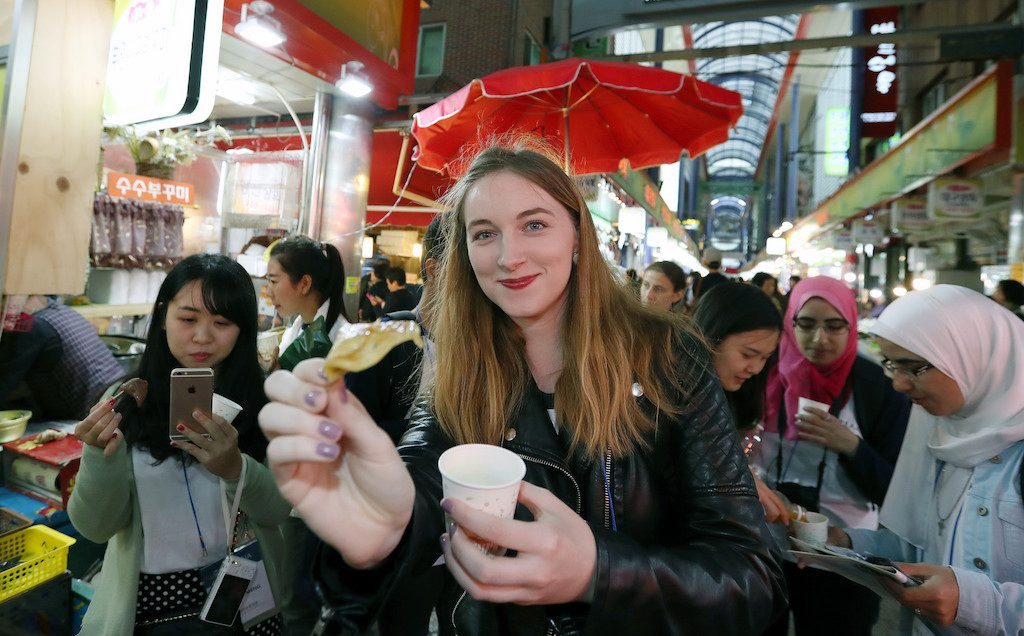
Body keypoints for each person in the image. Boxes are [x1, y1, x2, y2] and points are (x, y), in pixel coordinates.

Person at [258, 141, 786, 634]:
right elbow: (422, 482)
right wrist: (385, 529)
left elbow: (752, 578)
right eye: (485, 233)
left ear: (578, 235)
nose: (509, 256)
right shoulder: (461, 364)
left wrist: (598, 571)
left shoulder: (667, 358)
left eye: (534, 224)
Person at [68, 254, 291, 635]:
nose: (203, 336)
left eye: (222, 322)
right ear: (163, 315)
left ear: (242, 329)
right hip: (150, 602)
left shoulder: (266, 401)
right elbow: (95, 527)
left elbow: (278, 512)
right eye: (188, 318)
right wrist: (98, 456)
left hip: (245, 591)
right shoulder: (125, 400)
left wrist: (237, 470)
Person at [828, 285, 1024, 635]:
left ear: (972, 355)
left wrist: (975, 602)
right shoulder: (941, 436)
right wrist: (846, 543)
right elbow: (921, 547)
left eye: (913, 368)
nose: (899, 384)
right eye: (890, 364)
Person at [758, 276, 911, 636]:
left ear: (851, 324)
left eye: (834, 325)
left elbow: (898, 493)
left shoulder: (879, 389)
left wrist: (851, 447)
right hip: (765, 550)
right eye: (806, 324)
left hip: (843, 558)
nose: (819, 339)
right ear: (790, 321)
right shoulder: (764, 374)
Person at [691, 282, 787, 523]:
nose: (756, 368)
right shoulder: (670, 397)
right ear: (711, 336)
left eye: (765, 358)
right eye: (748, 354)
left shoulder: (738, 392)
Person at [0, 295, 124, 419]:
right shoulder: (62, 310)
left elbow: (4, 384)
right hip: (118, 398)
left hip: (93, 414)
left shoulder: (31, 325)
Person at [265, 235, 349, 371]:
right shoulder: (298, 327)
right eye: (268, 280)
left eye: (273, 281)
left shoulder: (338, 341)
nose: (268, 292)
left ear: (304, 284)